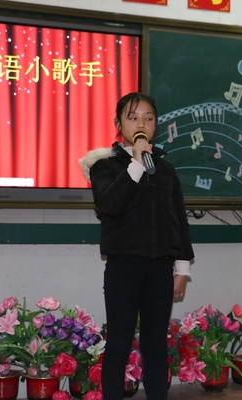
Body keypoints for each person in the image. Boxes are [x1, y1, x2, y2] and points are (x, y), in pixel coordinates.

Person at [79, 92, 194, 400]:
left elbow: (178, 219)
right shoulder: (104, 165)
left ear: (155, 125)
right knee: (119, 343)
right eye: (133, 117)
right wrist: (136, 164)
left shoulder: (165, 169)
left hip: (160, 268)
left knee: (155, 344)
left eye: (148, 118)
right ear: (118, 124)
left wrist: (182, 268)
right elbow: (109, 204)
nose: (141, 123)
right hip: (124, 267)